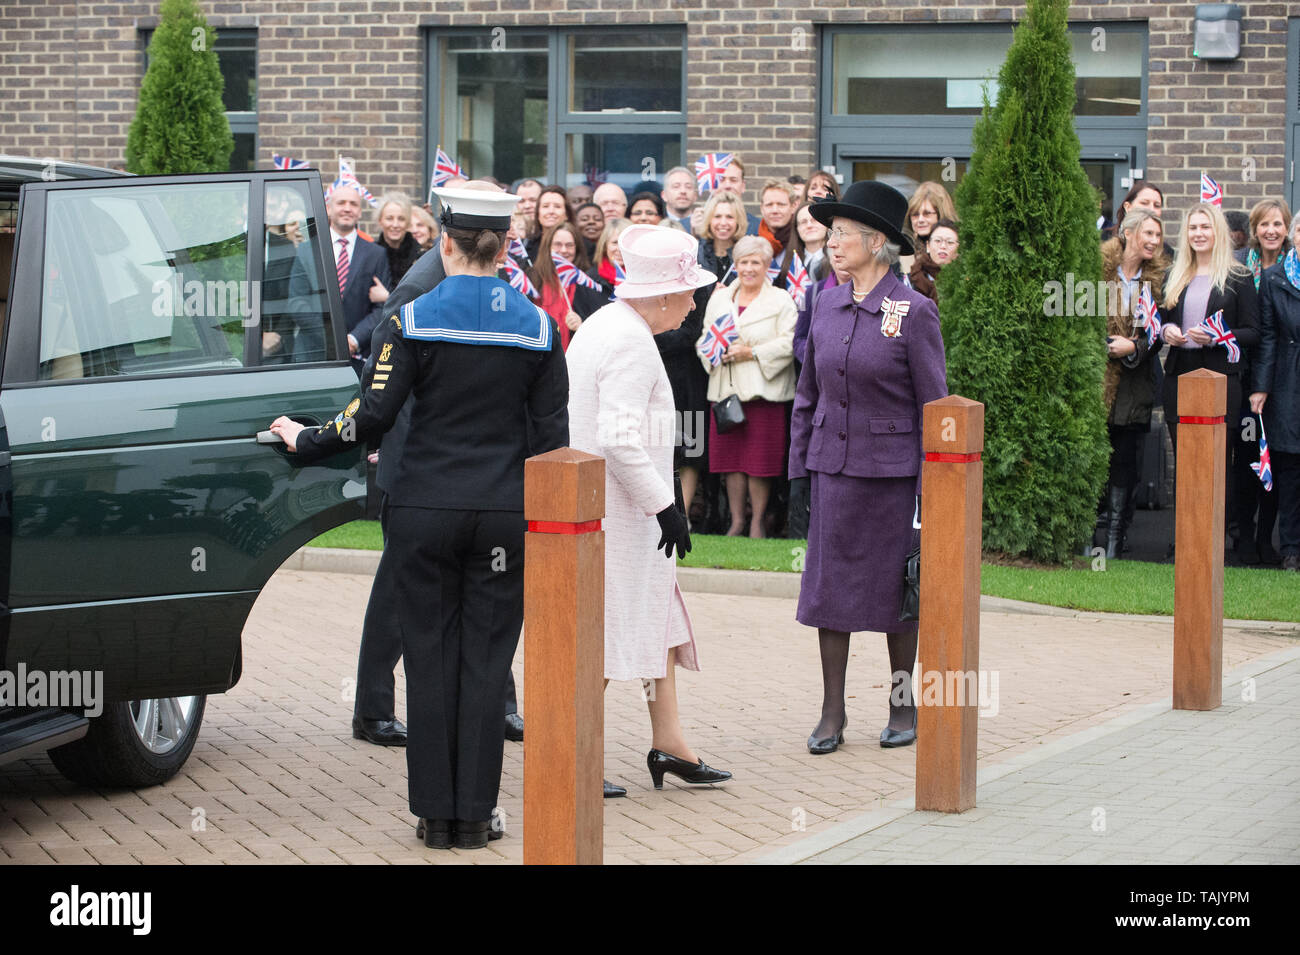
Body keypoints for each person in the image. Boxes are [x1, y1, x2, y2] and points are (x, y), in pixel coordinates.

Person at [268, 186, 568, 849]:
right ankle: (473, 817)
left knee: (429, 660)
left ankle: (435, 816)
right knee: (486, 666)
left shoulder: (411, 318)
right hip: (502, 516)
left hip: (424, 507)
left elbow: (370, 417)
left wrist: (305, 438)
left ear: (446, 243)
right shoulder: (540, 327)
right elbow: (552, 444)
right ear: (504, 249)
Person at [565, 224, 731, 793]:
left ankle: (669, 743)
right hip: (619, 514)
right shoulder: (630, 340)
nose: (694, 302)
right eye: (688, 292)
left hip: (611, 509)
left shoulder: (606, 324)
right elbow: (618, 437)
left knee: (652, 623)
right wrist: (666, 507)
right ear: (660, 294)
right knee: (610, 635)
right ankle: (568, 754)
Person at [364, 185, 531, 748]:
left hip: (455, 471)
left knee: (481, 587)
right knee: (396, 594)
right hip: (419, 468)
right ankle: (372, 709)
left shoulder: (470, 274)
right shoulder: (420, 284)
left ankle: (500, 704)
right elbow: (389, 386)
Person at [789, 180, 948, 754]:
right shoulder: (824, 302)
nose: (832, 243)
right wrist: (798, 474)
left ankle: (902, 702)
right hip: (832, 469)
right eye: (830, 233)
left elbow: (936, 407)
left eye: (843, 234)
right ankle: (833, 711)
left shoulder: (914, 312)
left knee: (894, 593)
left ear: (877, 242)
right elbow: (807, 394)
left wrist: (933, 489)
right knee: (829, 591)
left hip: (894, 477)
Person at [1161, 202, 1259, 561]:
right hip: (1180, 376)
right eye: (1192, 228)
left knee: (1217, 464)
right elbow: (1162, 321)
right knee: (1184, 462)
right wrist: (1168, 329)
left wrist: (1218, 336)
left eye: (1205, 227)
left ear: (1216, 231)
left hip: (1220, 379)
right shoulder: (1177, 274)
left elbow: (1253, 332)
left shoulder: (1239, 277)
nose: (1199, 233)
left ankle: (1213, 543)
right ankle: (1183, 540)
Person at [698, 235, 797, 538]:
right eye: (744, 262)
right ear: (736, 265)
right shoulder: (720, 298)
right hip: (726, 390)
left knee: (759, 462)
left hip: (762, 393)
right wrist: (715, 352)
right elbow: (704, 337)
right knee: (731, 462)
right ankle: (737, 520)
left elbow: (789, 341)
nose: (749, 268)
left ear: (767, 265)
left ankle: (757, 522)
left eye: (756, 262)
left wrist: (750, 351)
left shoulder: (781, 299)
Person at [1099, 208, 1169, 559]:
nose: (1154, 241)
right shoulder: (1098, 270)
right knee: (1097, 457)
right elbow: (1079, 319)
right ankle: (1088, 538)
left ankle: (1114, 542)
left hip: (1136, 380)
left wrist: (1134, 346)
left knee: (1125, 462)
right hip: (1098, 377)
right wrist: (1104, 345)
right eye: (1148, 233)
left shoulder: (1159, 280)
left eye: (1158, 235)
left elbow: (1160, 334)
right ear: (1127, 233)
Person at [1234, 199, 1293, 565]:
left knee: (1275, 458)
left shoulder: (1292, 269)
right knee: (1245, 456)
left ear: (1286, 228)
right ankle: (1242, 535)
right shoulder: (1241, 266)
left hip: (1281, 380)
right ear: (1254, 229)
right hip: (1243, 378)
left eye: (1278, 224)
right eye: (1264, 224)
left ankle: (1265, 540)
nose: (1271, 230)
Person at [1249, 211, 1300, 572]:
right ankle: (1291, 549)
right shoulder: (1273, 277)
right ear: (1293, 235)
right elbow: (1267, 336)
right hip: (1287, 378)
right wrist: (1261, 387)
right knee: (1290, 466)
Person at [322, 181, 391, 369]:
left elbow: (381, 308)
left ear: (360, 212)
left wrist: (353, 339)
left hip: (358, 359)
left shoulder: (376, 254)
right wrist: (330, 340)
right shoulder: (311, 249)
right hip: (316, 353)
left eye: (353, 204)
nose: (347, 208)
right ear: (328, 209)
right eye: (341, 203)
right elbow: (298, 300)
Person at [530, 221, 606, 350]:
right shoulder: (533, 278)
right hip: (540, 356)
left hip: (576, 356)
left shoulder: (588, 281)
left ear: (577, 249)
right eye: (558, 245)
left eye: (569, 245)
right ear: (548, 247)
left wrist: (581, 325)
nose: (564, 250)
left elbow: (600, 328)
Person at [367, 193, 422, 307]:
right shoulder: (370, 255)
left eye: (401, 219)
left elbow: (422, 298)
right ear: (380, 221)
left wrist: (388, 297)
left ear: (407, 223)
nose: (395, 224)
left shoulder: (421, 255)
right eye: (389, 218)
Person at [899, 181, 957, 277]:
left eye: (927, 213)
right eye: (915, 214)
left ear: (940, 214)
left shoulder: (954, 250)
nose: (920, 220)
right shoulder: (904, 250)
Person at [908, 217, 959, 303]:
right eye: (938, 241)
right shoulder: (912, 279)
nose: (943, 246)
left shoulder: (964, 280)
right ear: (928, 246)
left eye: (950, 242)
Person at [526, 185, 573, 261]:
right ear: (538, 213)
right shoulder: (527, 246)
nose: (551, 211)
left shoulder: (583, 245)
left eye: (557, 206)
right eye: (545, 206)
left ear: (567, 214)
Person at [718, 155, 762, 235]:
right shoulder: (693, 225)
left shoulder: (758, 228)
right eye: (721, 180)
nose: (727, 185)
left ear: (743, 186)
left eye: (733, 180)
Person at [758, 178, 797, 262]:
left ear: (793, 207)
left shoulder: (803, 240)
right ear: (762, 208)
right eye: (769, 205)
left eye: (781, 205)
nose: (775, 210)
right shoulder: (752, 243)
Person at [791, 201, 830, 283]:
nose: (809, 225)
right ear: (797, 228)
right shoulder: (792, 264)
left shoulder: (837, 262)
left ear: (826, 225)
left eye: (814, 220)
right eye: (803, 222)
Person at [593, 216, 631, 291]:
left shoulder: (646, 278)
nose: (620, 249)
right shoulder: (590, 280)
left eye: (625, 242)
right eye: (615, 242)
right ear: (604, 246)